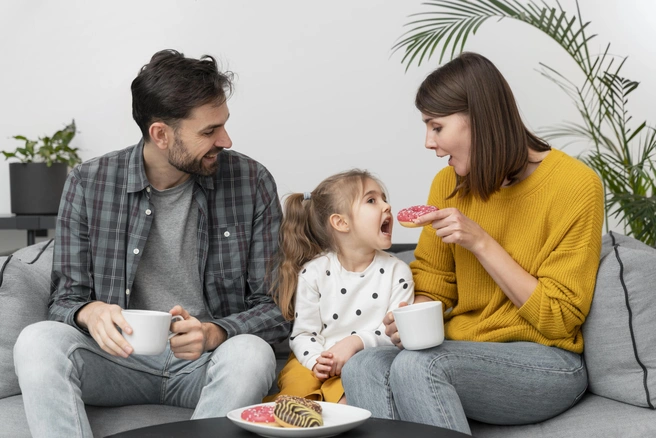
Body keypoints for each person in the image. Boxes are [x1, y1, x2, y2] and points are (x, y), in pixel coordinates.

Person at [13, 49, 291, 437]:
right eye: (209, 131)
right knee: (36, 341)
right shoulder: (89, 183)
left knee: (252, 353)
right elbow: (64, 300)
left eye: (223, 125)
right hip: (117, 361)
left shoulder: (251, 181)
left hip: (205, 364)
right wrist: (87, 312)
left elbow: (277, 308)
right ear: (161, 134)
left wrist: (216, 332)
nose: (225, 140)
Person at [341, 52, 604, 435]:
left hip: (548, 361)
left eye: (437, 127)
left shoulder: (576, 186)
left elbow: (560, 318)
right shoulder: (447, 185)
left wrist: (482, 242)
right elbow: (433, 282)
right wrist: (412, 318)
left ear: (477, 119)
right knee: (363, 365)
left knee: (421, 366)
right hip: (461, 349)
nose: (429, 143)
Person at [264, 169, 415, 404]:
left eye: (385, 198)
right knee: (294, 400)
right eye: (372, 200)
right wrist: (317, 361)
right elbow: (304, 333)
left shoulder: (398, 272)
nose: (387, 206)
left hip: (361, 363)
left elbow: (395, 334)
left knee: (345, 402)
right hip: (311, 359)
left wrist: (355, 344)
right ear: (341, 222)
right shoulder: (313, 273)